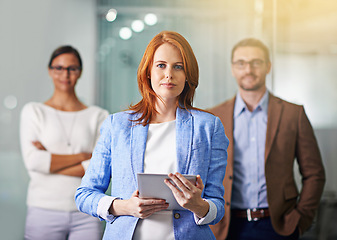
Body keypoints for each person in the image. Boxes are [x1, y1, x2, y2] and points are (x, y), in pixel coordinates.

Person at [75, 31, 229, 240]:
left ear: (187, 74)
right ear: (148, 71)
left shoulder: (209, 127)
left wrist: (199, 206)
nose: (169, 74)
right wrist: (124, 207)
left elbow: (217, 206)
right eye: (161, 65)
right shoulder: (117, 126)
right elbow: (84, 195)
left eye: (178, 66)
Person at [209, 38, 326, 240]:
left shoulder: (293, 114)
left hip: (278, 226)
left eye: (256, 62)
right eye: (241, 63)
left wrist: (300, 219)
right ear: (232, 69)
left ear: (268, 66)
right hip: (226, 228)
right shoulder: (214, 117)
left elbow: (314, 173)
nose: (248, 69)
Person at [20, 45, 109, 240]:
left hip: (87, 209)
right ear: (50, 70)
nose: (65, 74)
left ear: (80, 72)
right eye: (59, 68)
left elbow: (98, 168)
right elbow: (33, 162)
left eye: (72, 68)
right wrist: (83, 157)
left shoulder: (99, 116)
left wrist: (49, 162)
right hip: (43, 209)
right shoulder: (34, 111)